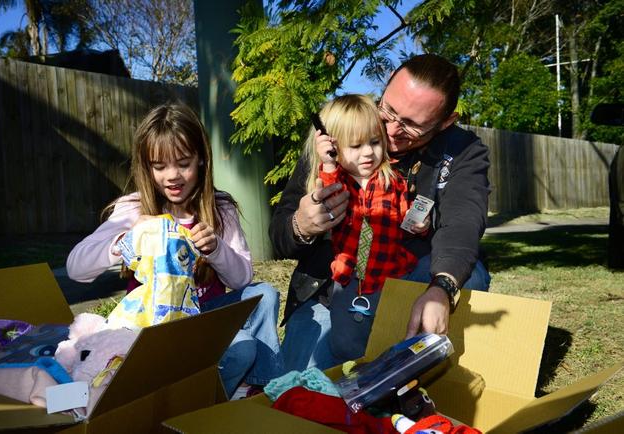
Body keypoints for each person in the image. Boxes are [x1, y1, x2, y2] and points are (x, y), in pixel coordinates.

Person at [270, 54, 491, 371]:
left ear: (445, 122)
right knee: (303, 398)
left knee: (473, 274)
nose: (389, 130)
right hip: (329, 292)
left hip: (408, 286)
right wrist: (301, 225)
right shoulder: (340, 128)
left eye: (411, 125)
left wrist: (442, 287)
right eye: (387, 110)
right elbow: (279, 235)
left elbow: (462, 223)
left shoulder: (461, 151)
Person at [66, 102, 284, 398]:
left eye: (183, 163)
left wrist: (216, 248)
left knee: (266, 295)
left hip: (201, 320)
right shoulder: (133, 208)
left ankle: (262, 388)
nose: (172, 176)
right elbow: (75, 268)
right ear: (147, 166)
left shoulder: (221, 209)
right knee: (242, 347)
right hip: (156, 327)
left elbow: (242, 280)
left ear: (202, 160)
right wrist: (128, 240)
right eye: (160, 166)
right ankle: (207, 399)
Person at [309, 94, 429, 363]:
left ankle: (385, 380)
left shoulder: (392, 180)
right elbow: (326, 196)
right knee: (345, 342)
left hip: (391, 275)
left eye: (375, 142)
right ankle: (355, 382)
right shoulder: (336, 180)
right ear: (334, 148)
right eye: (355, 145)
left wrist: (419, 225)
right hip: (349, 278)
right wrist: (328, 163)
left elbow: (405, 220)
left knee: (389, 336)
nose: (368, 152)